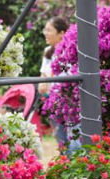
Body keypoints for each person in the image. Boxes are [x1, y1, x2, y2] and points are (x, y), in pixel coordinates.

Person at [38, 17, 70, 148]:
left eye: (49, 30)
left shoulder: (70, 51)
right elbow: (43, 73)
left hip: (69, 101)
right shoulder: (48, 51)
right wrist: (42, 83)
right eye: (45, 30)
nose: (45, 33)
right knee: (60, 138)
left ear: (61, 33)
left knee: (73, 140)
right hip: (53, 101)